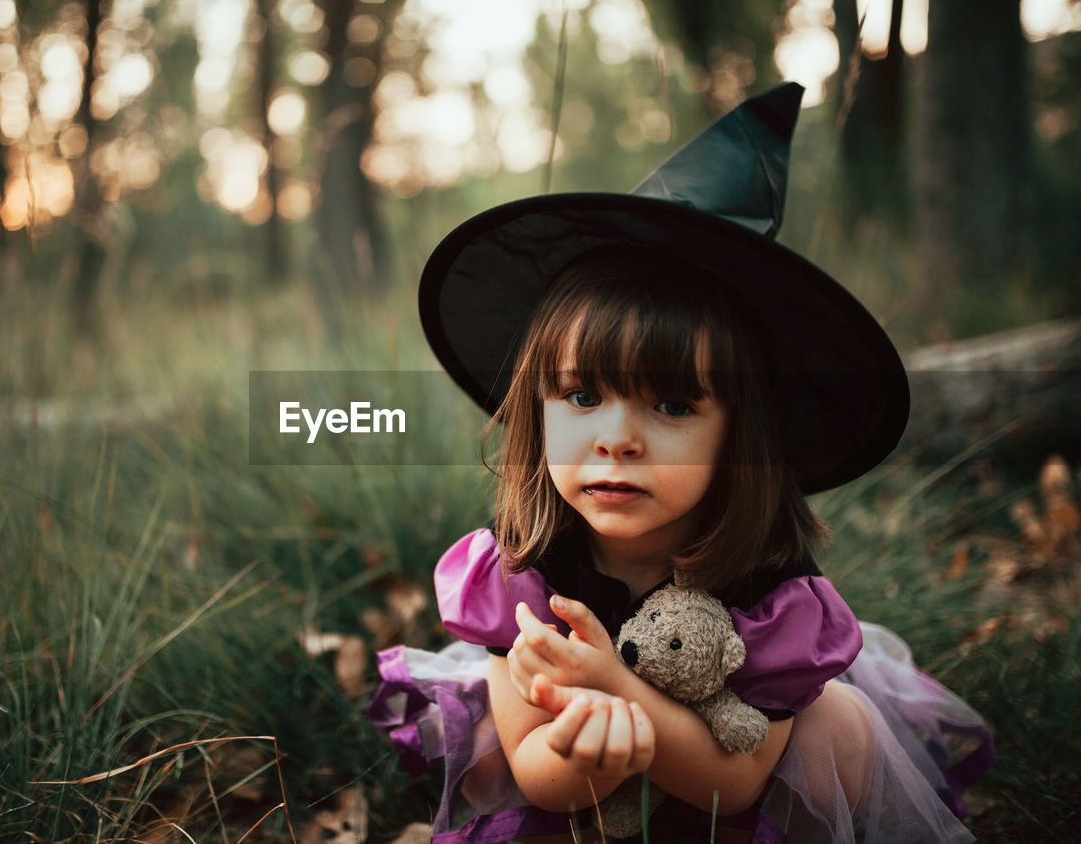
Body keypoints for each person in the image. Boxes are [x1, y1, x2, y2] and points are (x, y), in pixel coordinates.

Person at [368, 83, 993, 843]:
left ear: (738, 434)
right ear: (538, 406)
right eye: (583, 394)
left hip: (729, 804)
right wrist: (587, 748)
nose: (617, 439)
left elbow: (738, 780)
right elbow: (540, 775)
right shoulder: (523, 573)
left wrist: (621, 691)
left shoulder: (772, 594)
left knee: (839, 730)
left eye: (671, 406)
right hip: (583, 817)